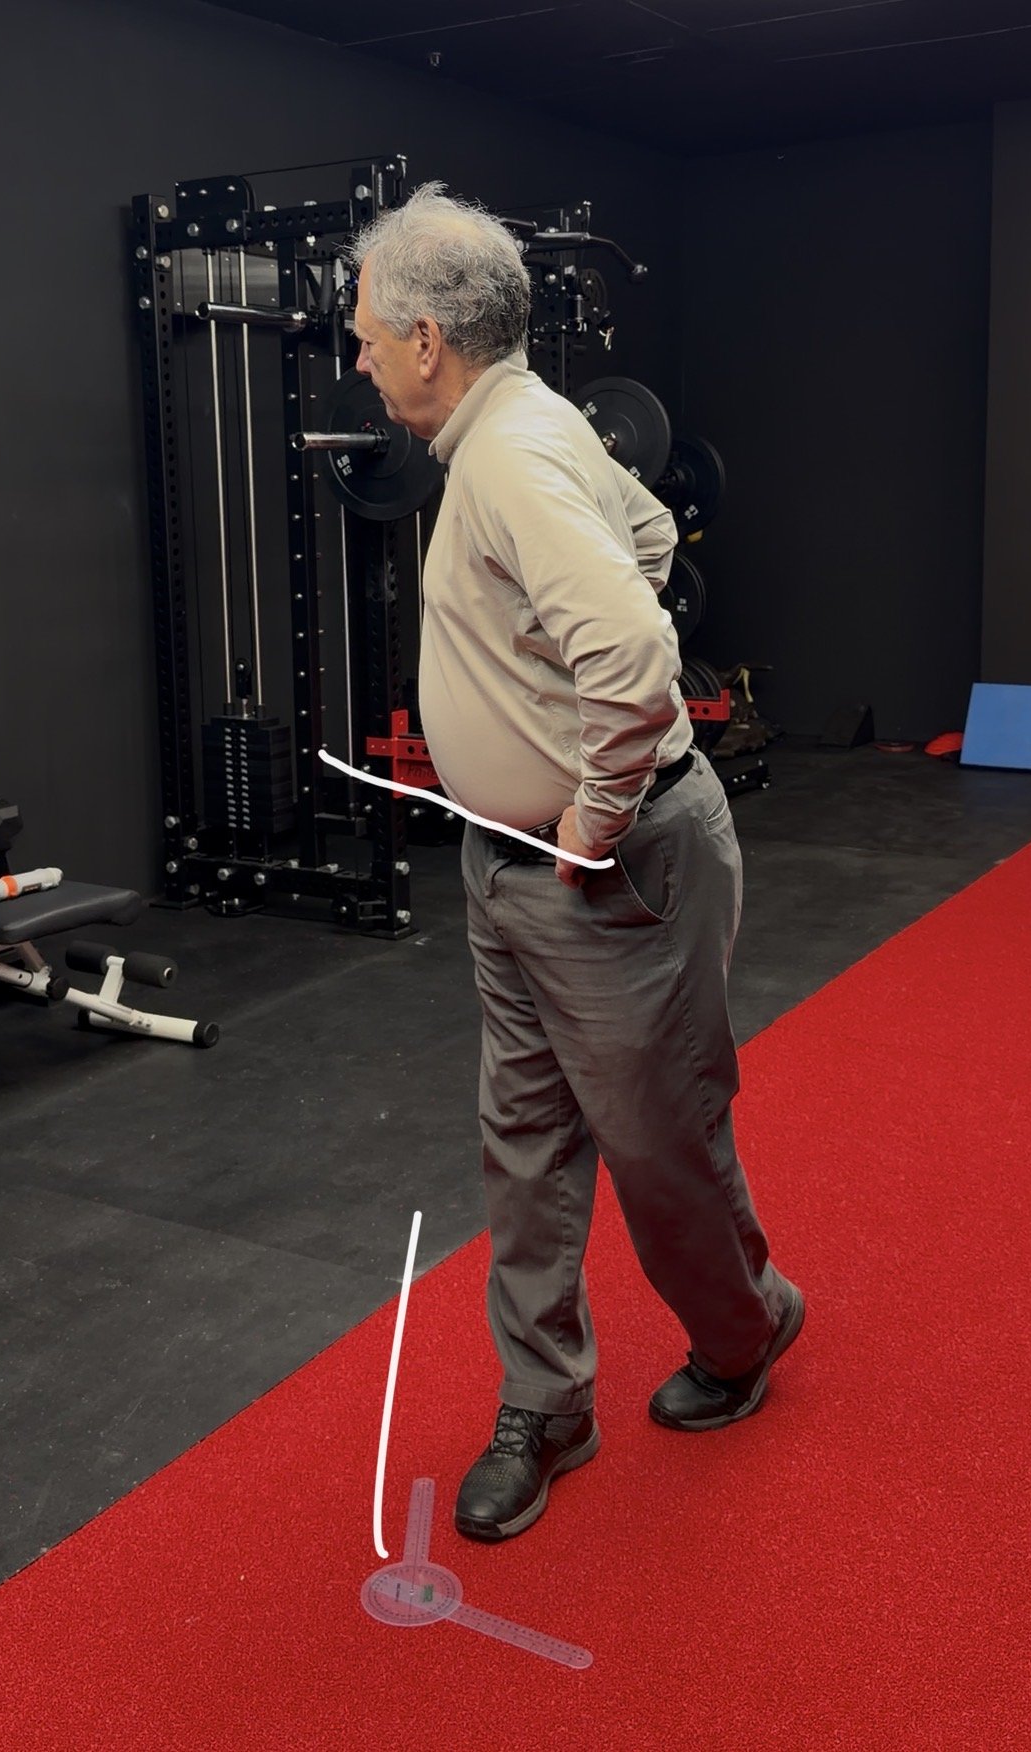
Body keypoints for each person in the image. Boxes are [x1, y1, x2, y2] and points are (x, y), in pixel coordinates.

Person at [348, 185, 804, 1544]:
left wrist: (591, 818)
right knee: (527, 1145)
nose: (358, 356)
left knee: (658, 1143)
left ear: (427, 339)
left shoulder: (509, 455)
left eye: (366, 333)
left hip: (607, 870)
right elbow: (650, 541)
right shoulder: (525, 428)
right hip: (506, 868)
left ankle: (744, 1329)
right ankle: (546, 1403)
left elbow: (639, 664)